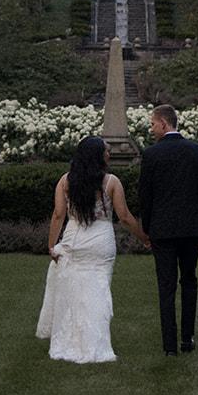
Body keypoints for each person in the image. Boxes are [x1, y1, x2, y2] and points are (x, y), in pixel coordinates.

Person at [36, 135, 149, 363]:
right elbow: (124, 217)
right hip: (100, 241)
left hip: (73, 240)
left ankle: (72, 340)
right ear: (96, 156)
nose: (109, 153)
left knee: (73, 293)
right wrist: (144, 238)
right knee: (98, 291)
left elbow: (58, 214)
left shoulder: (65, 181)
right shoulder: (111, 182)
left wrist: (51, 245)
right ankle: (95, 343)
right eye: (106, 151)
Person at [138, 104, 198, 356]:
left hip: (162, 230)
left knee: (166, 286)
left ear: (163, 123)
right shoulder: (196, 151)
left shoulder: (151, 155)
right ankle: (187, 339)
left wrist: (147, 228)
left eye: (153, 124)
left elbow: (145, 196)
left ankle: (170, 346)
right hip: (191, 229)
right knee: (189, 281)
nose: (151, 129)